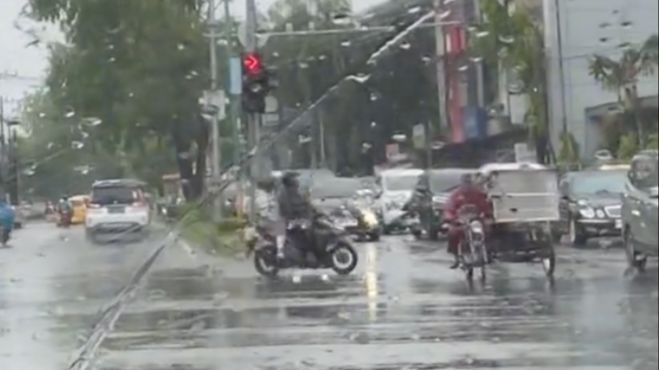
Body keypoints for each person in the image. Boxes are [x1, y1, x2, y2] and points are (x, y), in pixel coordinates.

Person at [443, 173, 492, 269]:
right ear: (461, 183)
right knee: (453, 234)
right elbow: (449, 208)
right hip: (460, 221)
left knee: (489, 231)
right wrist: (450, 218)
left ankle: (487, 253)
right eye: (466, 182)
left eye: (469, 182)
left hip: (476, 221)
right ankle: (456, 257)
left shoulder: (478, 194)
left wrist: (488, 216)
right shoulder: (455, 195)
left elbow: (485, 206)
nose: (468, 185)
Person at [277, 172, 318, 259]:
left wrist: (311, 208)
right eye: (294, 180)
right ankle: (307, 253)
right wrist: (302, 213)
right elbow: (290, 209)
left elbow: (303, 202)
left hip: (297, 218)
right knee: (308, 233)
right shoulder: (285, 194)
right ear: (290, 182)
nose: (297, 182)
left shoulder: (294, 192)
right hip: (290, 220)